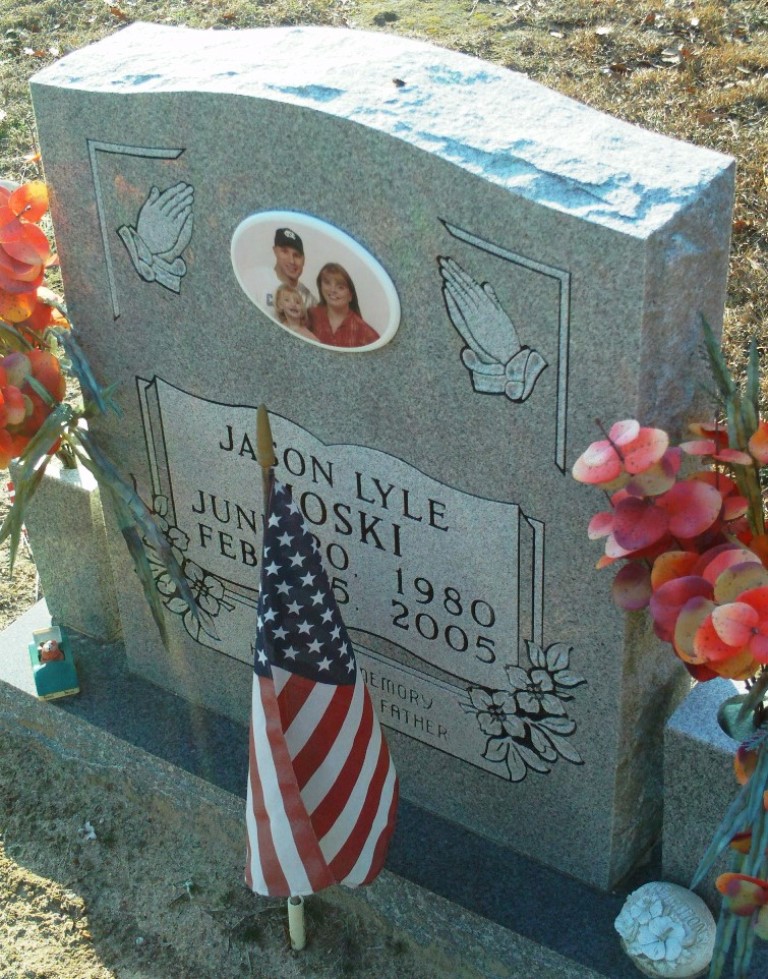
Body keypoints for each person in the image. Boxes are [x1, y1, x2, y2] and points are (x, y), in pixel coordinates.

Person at [308, 263, 379, 349]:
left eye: (340, 287)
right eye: (327, 283)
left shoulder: (366, 333)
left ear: (350, 296)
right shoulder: (309, 315)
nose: (333, 290)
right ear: (320, 286)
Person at [252, 228, 317, 313]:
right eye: (285, 252)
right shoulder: (255, 280)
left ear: (303, 260)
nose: (291, 261)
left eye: (296, 255)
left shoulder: (309, 299)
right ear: (275, 251)